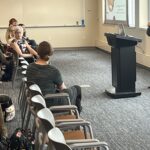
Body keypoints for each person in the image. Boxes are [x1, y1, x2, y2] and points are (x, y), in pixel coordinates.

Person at [26, 41, 82, 113]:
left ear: (38, 52)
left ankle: (75, 113)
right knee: (77, 88)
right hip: (50, 104)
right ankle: (76, 114)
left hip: (36, 101)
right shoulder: (53, 70)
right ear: (50, 53)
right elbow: (63, 88)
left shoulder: (30, 67)